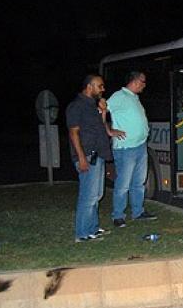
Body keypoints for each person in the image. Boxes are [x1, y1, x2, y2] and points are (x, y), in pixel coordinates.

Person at [65, 74, 113, 242]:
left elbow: (99, 126)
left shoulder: (92, 106)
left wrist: (103, 111)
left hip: (97, 154)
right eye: (100, 86)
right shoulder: (76, 107)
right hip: (87, 155)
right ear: (89, 86)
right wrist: (81, 157)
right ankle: (82, 233)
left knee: (97, 194)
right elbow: (73, 133)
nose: (103, 89)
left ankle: (93, 228)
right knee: (88, 196)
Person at [108, 71, 156, 227]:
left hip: (140, 146)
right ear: (135, 81)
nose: (144, 85)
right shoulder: (119, 96)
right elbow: (100, 111)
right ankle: (118, 215)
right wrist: (110, 130)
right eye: (143, 82)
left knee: (139, 182)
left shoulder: (134, 98)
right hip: (125, 148)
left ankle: (138, 211)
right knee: (123, 183)